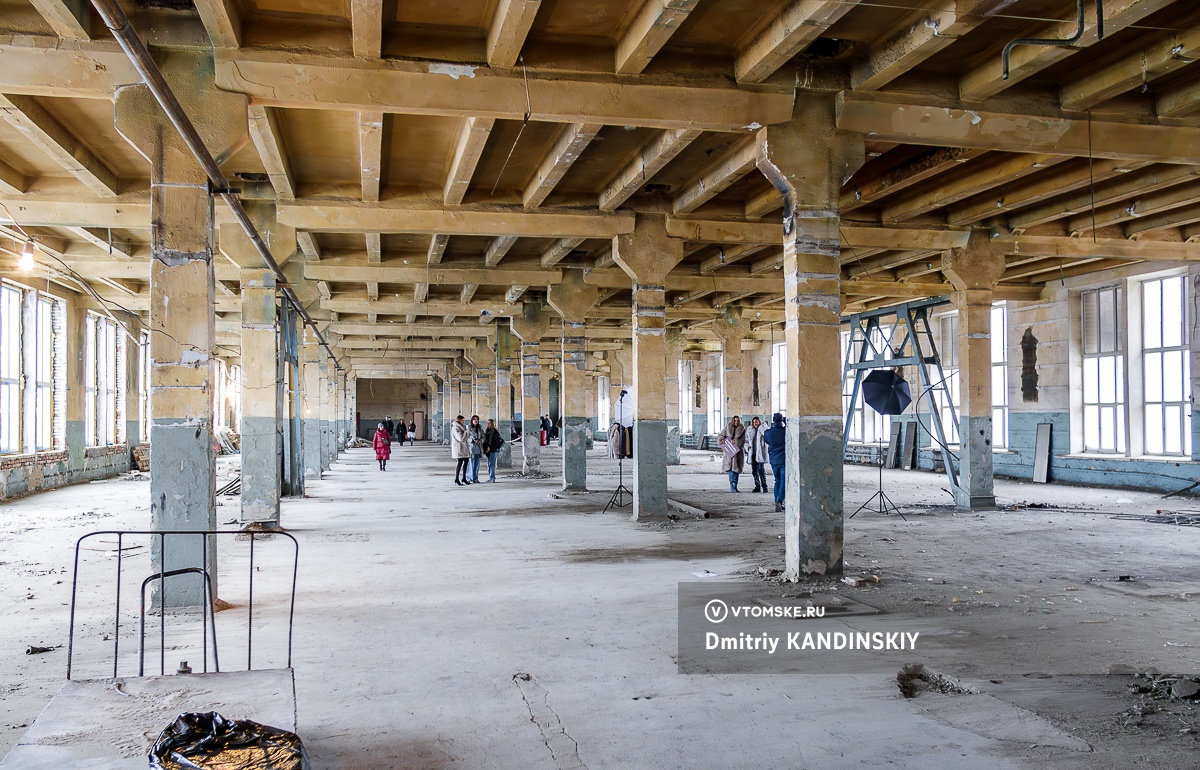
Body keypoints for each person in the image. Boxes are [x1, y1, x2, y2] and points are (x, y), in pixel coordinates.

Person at [764, 413, 787, 512]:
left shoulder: (767, 432)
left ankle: (777, 502)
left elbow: (767, 441)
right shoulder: (785, 431)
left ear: (773, 420)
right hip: (783, 459)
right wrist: (786, 424)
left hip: (773, 459)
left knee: (777, 480)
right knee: (783, 481)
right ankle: (779, 500)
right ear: (781, 420)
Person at [718, 415, 746, 492]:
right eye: (735, 420)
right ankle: (731, 485)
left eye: (738, 420)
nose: (736, 422)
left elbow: (743, 440)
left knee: (736, 470)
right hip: (729, 451)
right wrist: (722, 439)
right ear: (733, 421)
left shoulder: (742, 429)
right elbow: (721, 435)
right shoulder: (728, 427)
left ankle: (735, 486)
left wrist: (736, 442)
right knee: (730, 470)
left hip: (738, 453)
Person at [746, 416, 769, 493]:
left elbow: (767, 437)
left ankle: (765, 486)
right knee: (754, 471)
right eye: (754, 422)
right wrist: (747, 447)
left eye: (756, 422)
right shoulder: (749, 430)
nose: (755, 423)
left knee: (761, 470)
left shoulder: (764, 428)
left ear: (759, 422)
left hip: (760, 453)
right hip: (752, 453)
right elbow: (746, 441)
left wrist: (761, 428)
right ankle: (757, 486)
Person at [450, 415, 471, 485]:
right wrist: (467, 432)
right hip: (459, 448)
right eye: (463, 420)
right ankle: (456, 479)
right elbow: (460, 438)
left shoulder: (461, 427)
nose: (463, 422)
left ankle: (464, 478)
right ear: (459, 420)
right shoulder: (455, 428)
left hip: (463, 448)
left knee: (466, 462)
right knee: (460, 463)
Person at [482, 418, 504, 482]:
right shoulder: (487, 431)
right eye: (487, 423)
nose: (488, 424)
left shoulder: (494, 432)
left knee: (491, 464)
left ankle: (492, 478)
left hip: (493, 450)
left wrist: (490, 448)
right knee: (489, 464)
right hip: (488, 450)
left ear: (492, 424)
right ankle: (491, 477)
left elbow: (495, 442)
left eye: (489, 423)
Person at [467, 415, 484, 483]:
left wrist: (480, 441)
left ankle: (475, 478)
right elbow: (466, 437)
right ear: (472, 420)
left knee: (477, 464)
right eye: (474, 419)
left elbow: (483, 436)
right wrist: (472, 440)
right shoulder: (468, 428)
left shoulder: (480, 428)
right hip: (471, 448)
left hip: (478, 448)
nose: (476, 421)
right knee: (470, 464)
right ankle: (469, 478)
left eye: (477, 419)